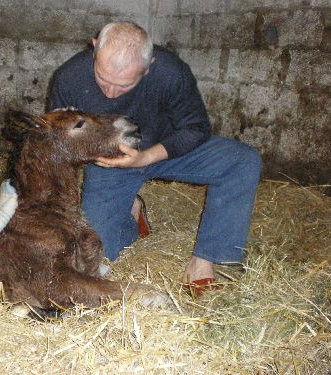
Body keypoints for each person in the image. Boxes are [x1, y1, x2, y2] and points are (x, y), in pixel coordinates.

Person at [47, 22, 262, 295]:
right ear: (94, 48)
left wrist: (147, 156)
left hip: (167, 148)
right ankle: (132, 212)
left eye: (124, 85)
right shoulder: (69, 77)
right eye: (103, 80)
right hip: (111, 164)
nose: (109, 93)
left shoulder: (171, 72)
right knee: (95, 256)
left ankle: (207, 260)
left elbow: (196, 129)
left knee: (243, 161)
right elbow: (59, 143)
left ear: (148, 68)